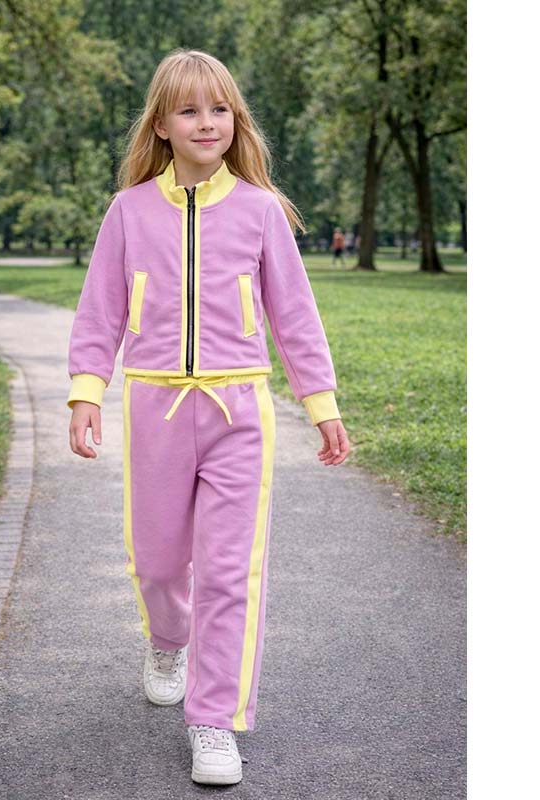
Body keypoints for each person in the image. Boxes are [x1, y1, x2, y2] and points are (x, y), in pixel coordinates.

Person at [66, 48, 350, 786]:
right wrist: (87, 391)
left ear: (235, 120)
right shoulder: (129, 211)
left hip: (239, 409)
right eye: (189, 109)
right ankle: (169, 640)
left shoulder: (259, 211)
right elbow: (100, 309)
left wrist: (320, 404)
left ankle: (215, 720)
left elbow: (295, 315)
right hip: (155, 405)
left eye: (219, 108)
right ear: (161, 125)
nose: (207, 122)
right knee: (158, 562)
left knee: (230, 571)